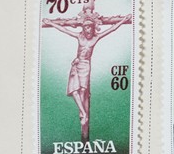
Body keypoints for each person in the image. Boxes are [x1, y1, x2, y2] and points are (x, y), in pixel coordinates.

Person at [42, 10, 132, 141]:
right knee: (74, 90)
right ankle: (83, 112)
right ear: (83, 28)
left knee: (83, 90)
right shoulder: (79, 37)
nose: (87, 30)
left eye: (89, 27)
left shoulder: (96, 37)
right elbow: (64, 30)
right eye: (85, 27)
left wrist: (124, 20)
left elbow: (112, 29)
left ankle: (83, 114)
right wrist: (50, 23)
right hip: (77, 63)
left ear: (93, 27)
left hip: (85, 65)